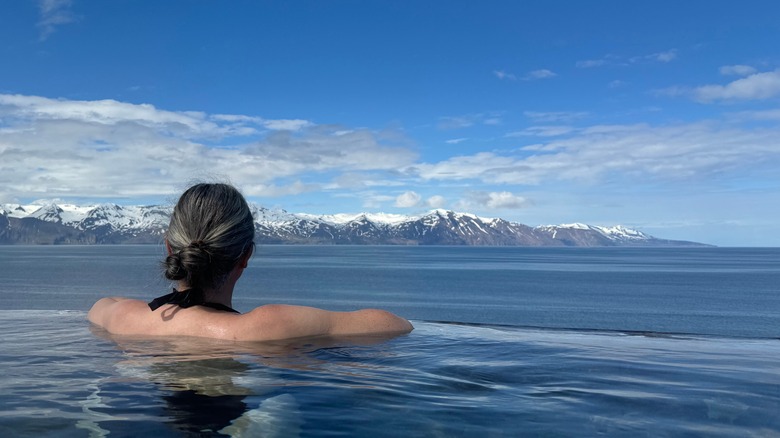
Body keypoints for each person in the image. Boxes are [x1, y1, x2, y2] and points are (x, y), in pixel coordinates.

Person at [88, 183, 413, 341]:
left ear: (169, 250)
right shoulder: (268, 326)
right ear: (245, 256)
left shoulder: (123, 318)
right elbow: (395, 324)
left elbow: (101, 304)